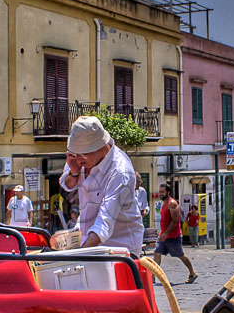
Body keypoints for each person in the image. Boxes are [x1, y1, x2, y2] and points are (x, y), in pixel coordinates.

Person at [59, 115, 144, 256]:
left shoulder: (120, 173)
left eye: (82, 156)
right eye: (75, 155)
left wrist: (79, 255)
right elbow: (67, 184)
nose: (78, 160)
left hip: (121, 247)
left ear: (100, 147)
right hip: (89, 240)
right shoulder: (80, 156)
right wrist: (73, 172)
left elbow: (104, 223)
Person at [153, 182, 198, 283]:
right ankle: (153, 277)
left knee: (180, 255)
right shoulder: (163, 203)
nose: (160, 194)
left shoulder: (172, 203)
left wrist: (166, 233)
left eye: (162, 192)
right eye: (159, 192)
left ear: (168, 192)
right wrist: (162, 233)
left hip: (173, 236)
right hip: (163, 235)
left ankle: (192, 273)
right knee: (156, 253)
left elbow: (175, 220)